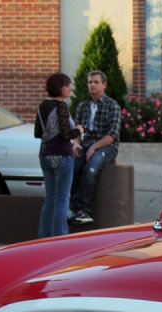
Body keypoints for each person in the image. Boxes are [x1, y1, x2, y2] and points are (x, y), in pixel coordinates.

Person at [68, 70, 121, 225]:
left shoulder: (113, 106)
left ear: (104, 85)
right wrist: (76, 143)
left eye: (96, 82)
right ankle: (74, 210)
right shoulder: (83, 106)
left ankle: (83, 209)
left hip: (107, 146)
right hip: (86, 144)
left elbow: (112, 135)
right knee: (73, 166)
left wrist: (94, 147)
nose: (92, 85)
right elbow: (78, 129)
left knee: (91, 168)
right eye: (90, 82)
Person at [35, 73, 82, 237]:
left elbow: (37, 133)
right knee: (62, 200)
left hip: (45, 155)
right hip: (62, 156)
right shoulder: (61, 106)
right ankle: (60, 239)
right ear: (59, 88)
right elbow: (67, 134)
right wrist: (79, 130)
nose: (70, 88)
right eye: (67, 85)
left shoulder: (42, 106)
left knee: (50, 199)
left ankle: (44, 238)